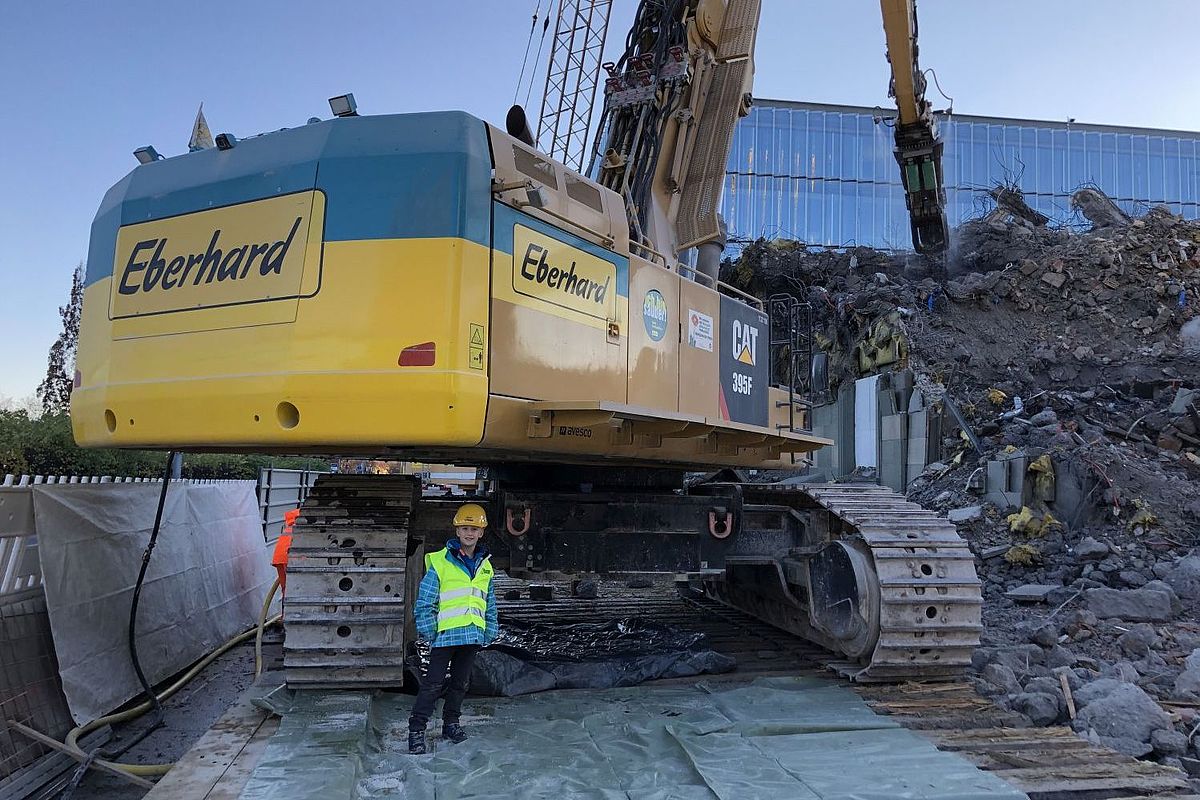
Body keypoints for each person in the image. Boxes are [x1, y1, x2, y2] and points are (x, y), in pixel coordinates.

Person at [408, 502, 498, 754]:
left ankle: (451, 723)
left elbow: (488, 601)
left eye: (474, 529)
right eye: (465, 528)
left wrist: (490, 628)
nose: (469, 533)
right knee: (432, 685)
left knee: (461, 683)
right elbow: (425, 602)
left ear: (481, 533)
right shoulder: (440, 562)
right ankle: (416, 730)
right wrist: (430, 632)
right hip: (445, 636)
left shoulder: (485, 565)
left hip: (471, 634)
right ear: (457, 531)